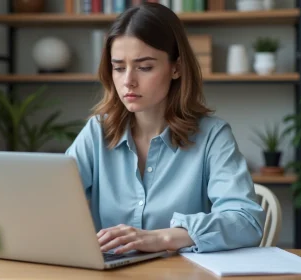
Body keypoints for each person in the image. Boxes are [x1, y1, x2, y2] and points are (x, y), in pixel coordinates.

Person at [65, 2, 265, 254]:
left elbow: (246, 221)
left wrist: (163, 238)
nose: (128, 81)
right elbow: (52, 200)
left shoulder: (212, 136)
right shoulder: (96, 133)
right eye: (118, 68)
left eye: (144, 67)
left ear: (176, 68)